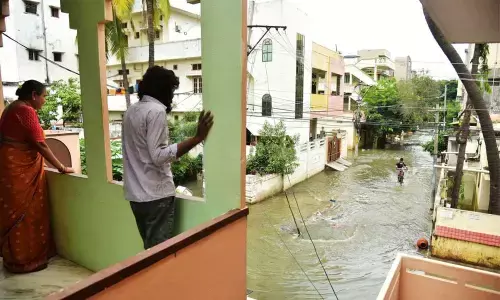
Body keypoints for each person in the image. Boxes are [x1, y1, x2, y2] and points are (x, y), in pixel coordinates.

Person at [122, 66, 214, 249]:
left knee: (149, 249)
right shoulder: (156, 112)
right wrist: (197, 138)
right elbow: (158, 156)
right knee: (158, 255)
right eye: (171, 90)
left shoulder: (131, 111)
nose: (172, 96)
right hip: (156, 197)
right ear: (162, 89)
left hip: (136, 197)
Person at [0, 80, 74, 273]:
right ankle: (26, 260)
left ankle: (14, 259)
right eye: (44, 96)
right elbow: (40, 144)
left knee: (16, 213)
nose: (44, 100)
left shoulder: (11, 108)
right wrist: (61, 167)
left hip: (10, 167)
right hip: (19, 170)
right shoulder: (26, 111)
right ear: (34, 95)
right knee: (27, 214)